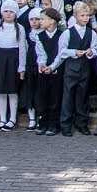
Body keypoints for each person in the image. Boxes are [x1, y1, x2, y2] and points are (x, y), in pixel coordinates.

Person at [51, 3, 97, 137]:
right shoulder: (67, 33)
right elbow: (62, 51)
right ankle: (65, 124)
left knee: (82, 96)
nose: (85, 18)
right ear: (75, 16)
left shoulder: (91, 33)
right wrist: (74, 52)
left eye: (87, 15)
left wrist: (90, 52)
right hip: (71, 68)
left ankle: (82, 123)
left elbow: (95, 49)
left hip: (85, 68)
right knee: (68, 97)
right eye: (82, 15)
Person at [0, 0, 28, 132]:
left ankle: (12, 119)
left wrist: (22, 67)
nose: (8, 14)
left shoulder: (19, 28)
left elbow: (22, 48)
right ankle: (2, 118)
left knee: (12, 90)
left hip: (13, 60)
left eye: (11, 12)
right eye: (6, 11)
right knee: (1, 91)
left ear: (16, 14)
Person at [31, 8, 64, 136]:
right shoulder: (39, 36)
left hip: (57, 69)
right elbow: (41, 53)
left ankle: (54, 123)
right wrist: (42, 64)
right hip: (44, 71)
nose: (39, 21)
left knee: (55, 98)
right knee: (43, 96)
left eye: (42, 19)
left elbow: (61, 54)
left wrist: (52, 67)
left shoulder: (62, 35)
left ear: (51, 21)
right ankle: (43, 121)